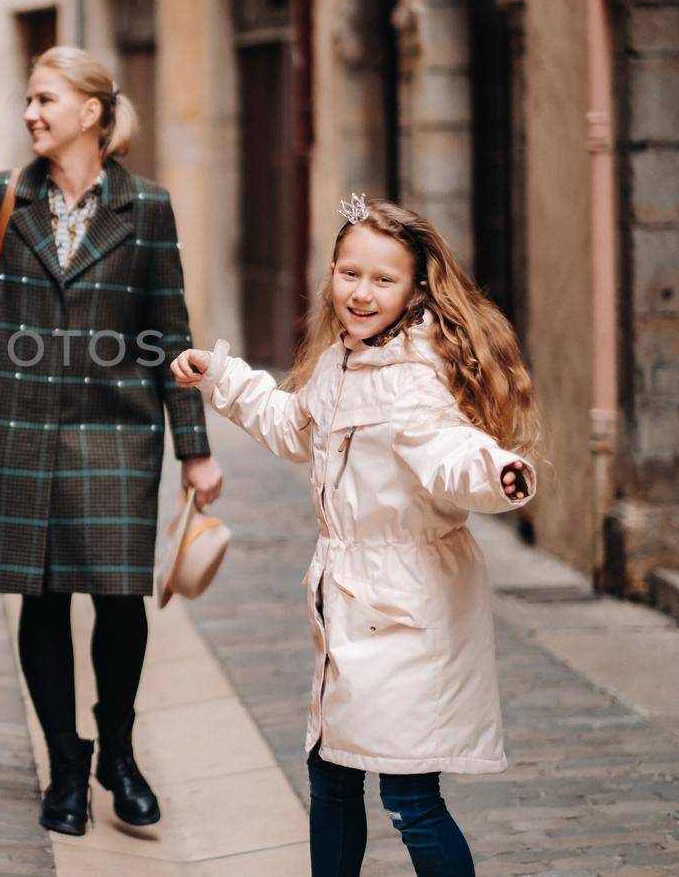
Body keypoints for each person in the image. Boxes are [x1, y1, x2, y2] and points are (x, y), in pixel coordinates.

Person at [0, 46, 223, 836]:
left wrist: (195, 448)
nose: (31, 112)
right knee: (39, 598)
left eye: (45, 99)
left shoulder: (148, 207)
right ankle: (66, 765)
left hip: (117, 429)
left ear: (91, 112)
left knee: (120, 598)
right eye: (28, 100)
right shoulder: (4, 198)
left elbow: (170, 334)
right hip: (19, 430)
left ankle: (121, 750)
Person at [170, 194, 539, 876]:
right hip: (347, 606)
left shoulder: (414, 376)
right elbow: (291, 425)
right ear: (331, 273)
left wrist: (501, 472)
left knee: (409, 793)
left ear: (415, 289)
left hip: (406, 610)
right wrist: (221, 375)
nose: (360, 293)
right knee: (331, 773)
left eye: (382, 279)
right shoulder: (343, 361)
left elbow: (450, 450)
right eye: (349, 273)